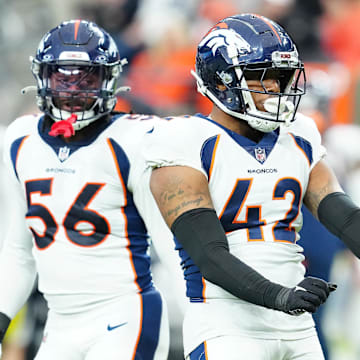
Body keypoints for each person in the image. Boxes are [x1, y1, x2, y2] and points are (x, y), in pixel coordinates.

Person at [143, 13, 360, 360]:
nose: (277, 88)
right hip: (227, 326)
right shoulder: (183, 141)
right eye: (263, 77)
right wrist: (280, 296)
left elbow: (345, 218)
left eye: (282, 76)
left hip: (297, 327)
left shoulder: (299, 134)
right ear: (222, 82)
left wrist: (288, 302)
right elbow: (209, 257)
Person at [0, 19, 180, 360]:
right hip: (60, 325)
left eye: (87, 79)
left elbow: (172, 244)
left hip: (125, 316)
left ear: (109, 80)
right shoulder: (20, 139)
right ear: (43, 77)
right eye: (62, 78)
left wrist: (204, 317)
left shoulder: (134, 139)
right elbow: (18, 251)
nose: (73, 91)